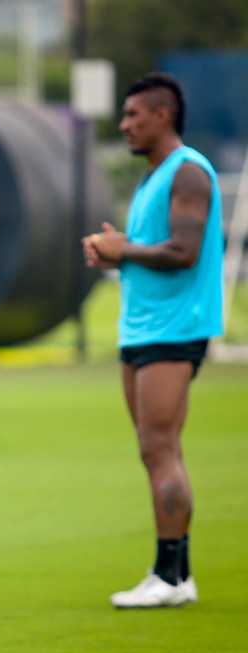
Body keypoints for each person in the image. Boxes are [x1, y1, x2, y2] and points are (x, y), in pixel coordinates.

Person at [83, 71, 224, 609]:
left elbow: (183, 252)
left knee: (158, 448)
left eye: (133, 115)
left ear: (162, 115)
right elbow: (149, 249)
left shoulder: (188, 171)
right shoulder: (154, 177)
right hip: (142, 328)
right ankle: (175, 573)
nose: (123, 125)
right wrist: (115, 251)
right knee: (157, 450)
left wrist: (123, 248)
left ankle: (168, 578)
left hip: (174, 329)